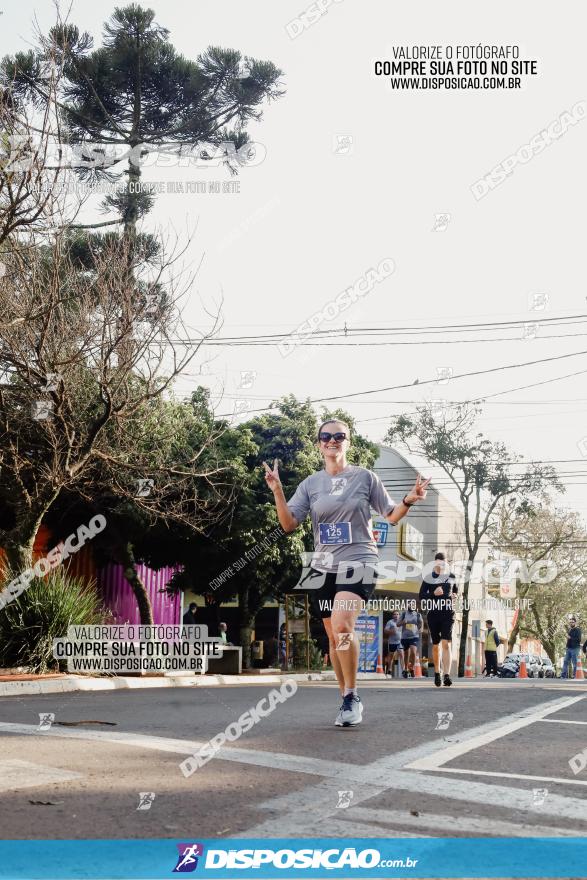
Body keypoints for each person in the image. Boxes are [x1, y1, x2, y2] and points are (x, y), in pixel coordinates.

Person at [264, 418, 430, 726]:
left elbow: (391, 516)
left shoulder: (365, 478)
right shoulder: (310, 484)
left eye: (339, 436)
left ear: (347, 442)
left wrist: (409, 499)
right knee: (332, 634)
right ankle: (344, 699)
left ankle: (353, 695)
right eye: (326, 436)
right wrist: (277, 490)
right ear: (319, 444)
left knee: (342, 626)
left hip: (359, 562)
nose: (332, 440)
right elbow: (289, 525)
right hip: (322, 567)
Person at [418, 552, 457, 687]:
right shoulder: (428, 578)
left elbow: (456, 592)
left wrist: (455, 596)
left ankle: (446, 675)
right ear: (435, 563)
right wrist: (433, 594)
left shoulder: (452, 577)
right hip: (434, 614)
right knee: (436, 646)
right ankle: (437, 673)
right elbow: (422, 596)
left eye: (444, 563)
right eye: (439, 563)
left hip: (448, 614)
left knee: (446, 643)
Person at [398, 601, 423, 678]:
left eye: (413, 604)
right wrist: (403, 622)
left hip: (414, 636)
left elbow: (421, 623)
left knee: (413, 652)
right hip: (405, 637)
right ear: (407, 605)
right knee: (406, 654)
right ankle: (405, 669)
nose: (411, 606)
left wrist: (421, 629)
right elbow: (397, 624)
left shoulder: (418, 614)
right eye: (410, 604)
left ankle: (411, 668)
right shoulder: (403, 614)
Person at [384, 610, 403, 677]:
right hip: (392, 642)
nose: (396, 615)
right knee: (391, 656)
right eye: (394, 614)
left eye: (397, 614)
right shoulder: (390, 622)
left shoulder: (401, 622)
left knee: (401, 654)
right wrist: (391, 631)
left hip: (400, 641)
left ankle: (404, 671)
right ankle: (389, 669)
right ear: (393, 616)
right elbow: (385, 630)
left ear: (399, 615)